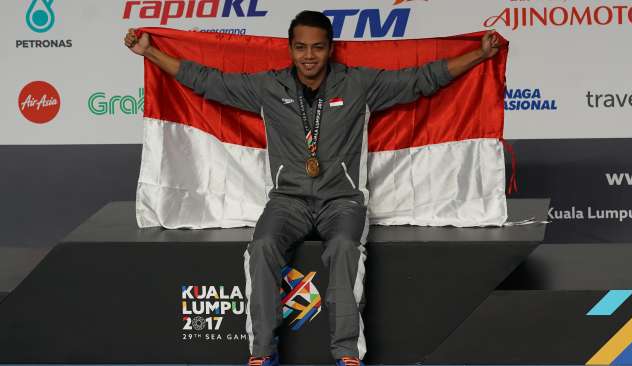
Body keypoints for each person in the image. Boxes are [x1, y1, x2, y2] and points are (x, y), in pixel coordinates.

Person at [124, 10, 500, 366]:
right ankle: (262, 352)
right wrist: (150, 52)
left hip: (343, 202)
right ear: (290, 49)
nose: (309, 56)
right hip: (288, 202)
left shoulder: (358, 84)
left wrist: (478, 55)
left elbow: (423, 78)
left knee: (343, 249)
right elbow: (208, 81)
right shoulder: (268, 88)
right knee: (262, 247)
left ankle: (345, 353)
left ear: (330, 48)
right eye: (301, 47)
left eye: (317, 47)